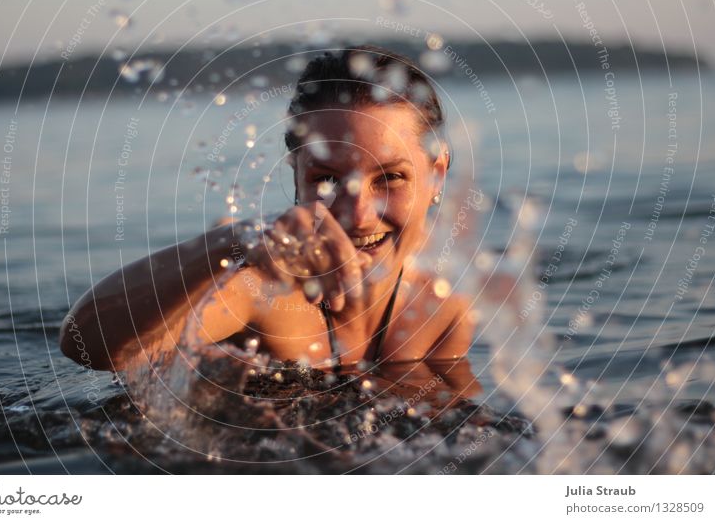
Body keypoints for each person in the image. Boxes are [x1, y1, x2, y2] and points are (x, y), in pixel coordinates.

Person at [59, 45, 475, 381]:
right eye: (327, 179)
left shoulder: (445, 301)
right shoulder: (262, 288)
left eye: (390, 178)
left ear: (436, 174)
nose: (359, 215)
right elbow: (86, 348)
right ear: (297, 175)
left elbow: (450, 412)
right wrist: (235, 240)